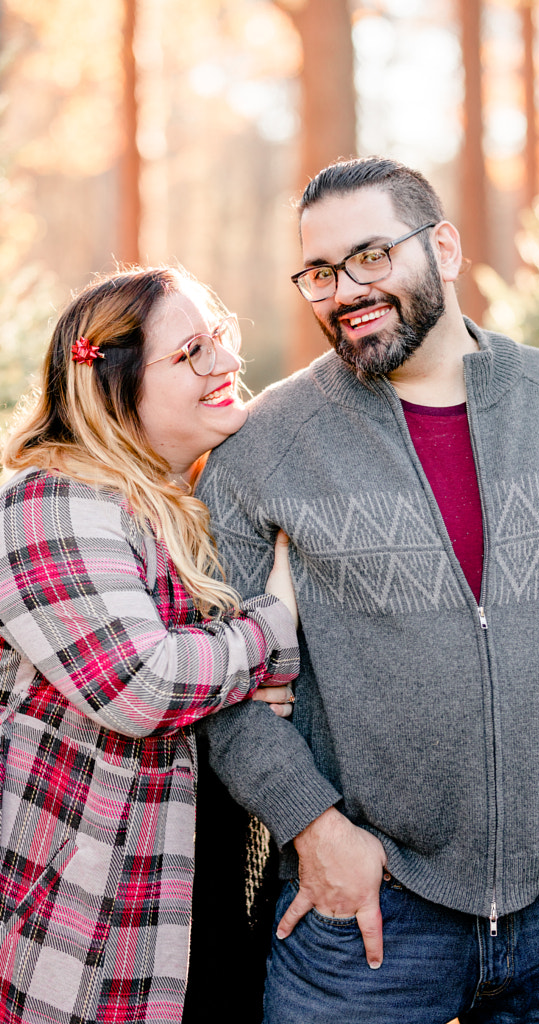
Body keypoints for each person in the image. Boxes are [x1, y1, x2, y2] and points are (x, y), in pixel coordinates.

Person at [197, 157, 539, 1024]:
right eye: (320, 271)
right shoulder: (267, 440)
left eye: (372, 256)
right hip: (363, 914)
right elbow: (205, 665)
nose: (345, 290)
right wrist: (314, 828)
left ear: (444, 248)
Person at [0, 266, 299, 1024]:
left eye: (222, 339)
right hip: (80, 920)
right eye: (192, 351)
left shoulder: (185, 505)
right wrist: (270, 631)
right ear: (111, 387)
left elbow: (195, 673)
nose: (229, 364)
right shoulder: (51, 503)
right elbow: (142, 684)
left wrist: (223, 662)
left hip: (199, 898)